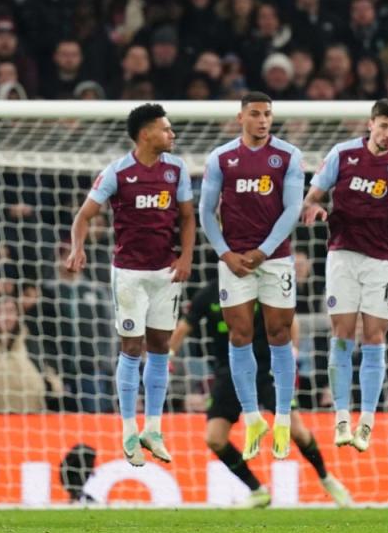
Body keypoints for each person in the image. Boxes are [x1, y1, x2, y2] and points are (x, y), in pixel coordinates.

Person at [67, 103, 195, 466]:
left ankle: (152, 429)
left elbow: (187, 218)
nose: (172, 134)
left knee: (160, 346)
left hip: (165, 272)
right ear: (145, 134)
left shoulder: (177, 169)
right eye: (166, 129)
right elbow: (83, 215)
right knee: (132, 346)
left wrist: (185, 257)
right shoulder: (117, 172)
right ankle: (127, 430)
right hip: (129, 274)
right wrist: (78, 248)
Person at [301, 98, 388, 451]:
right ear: (370, 124)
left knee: (374, 338)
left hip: (383, 261)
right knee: (342, 334)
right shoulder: (342, 155)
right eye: (384, 126)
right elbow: (312, 198)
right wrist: (315, 209)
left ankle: (367, 422)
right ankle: (341, 418)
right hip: (343, 255)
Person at [169, 281, 351, 507]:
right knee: (214, 439)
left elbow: (289, 321)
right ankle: (257, 491)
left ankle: (327, 479)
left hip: (268, 370)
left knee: (297, 431)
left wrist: (292, 352)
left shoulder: (262, 286)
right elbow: (184, 327)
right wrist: (167, 356)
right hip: (230, 373)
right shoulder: (208, 293)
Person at [199, 92, 304, 460]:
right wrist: (225, 253)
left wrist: (264, 251)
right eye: (256, 114)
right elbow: (206, 212)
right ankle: (253, 417)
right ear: (241, 116)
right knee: (240, 336)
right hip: (234, 262)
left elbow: (293, 210)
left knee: (278, 335)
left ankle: (284, 418)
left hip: (275, 260)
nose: (263, 120)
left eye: (268, 114)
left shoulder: (288, 156)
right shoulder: (222, 158)